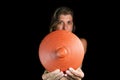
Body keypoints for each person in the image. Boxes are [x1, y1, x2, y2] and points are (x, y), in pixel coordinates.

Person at [41, 6, 87, 80]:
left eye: (69, 23)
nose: (65, 27)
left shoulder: (81, 42)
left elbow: (71, 70)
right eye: (60, 23)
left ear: (73, 26)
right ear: (54, 26)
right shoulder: (46, 45)